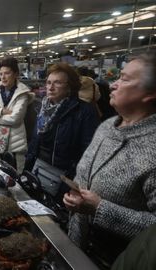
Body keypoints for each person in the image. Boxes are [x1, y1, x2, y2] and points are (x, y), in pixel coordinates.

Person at [63, 53, 156, 268]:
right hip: (79, 249)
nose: (113, 85)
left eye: (124, 79)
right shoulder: (107, 126)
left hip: (120, 260)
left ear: (149, 94)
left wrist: (100, 209)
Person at [25, 63, 100, 202]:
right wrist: (28, 167)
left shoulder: (84, 111)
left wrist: (73, 180)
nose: (50, 87)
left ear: (69, 86)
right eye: (48, 82)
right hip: (38, 169)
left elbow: (88, 151)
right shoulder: (43, 108)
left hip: (64, 178)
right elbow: (35, 141)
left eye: (57, 83)